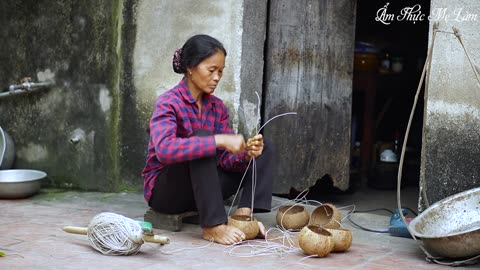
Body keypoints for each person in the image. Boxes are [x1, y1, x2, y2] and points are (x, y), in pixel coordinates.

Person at [142, 34, 275, 245]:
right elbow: (165, 150)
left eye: (220, 71)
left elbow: (224, 160)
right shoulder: (168, 103)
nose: (217, 77)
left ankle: (244, 216)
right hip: (167, 194)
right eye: (211, 70)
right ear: (191, 67)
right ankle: (213, 226)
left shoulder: (218, 108)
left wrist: (246, 155)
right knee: (202, 140)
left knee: (263, 147)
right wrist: (218, 140)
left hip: (203, 191)